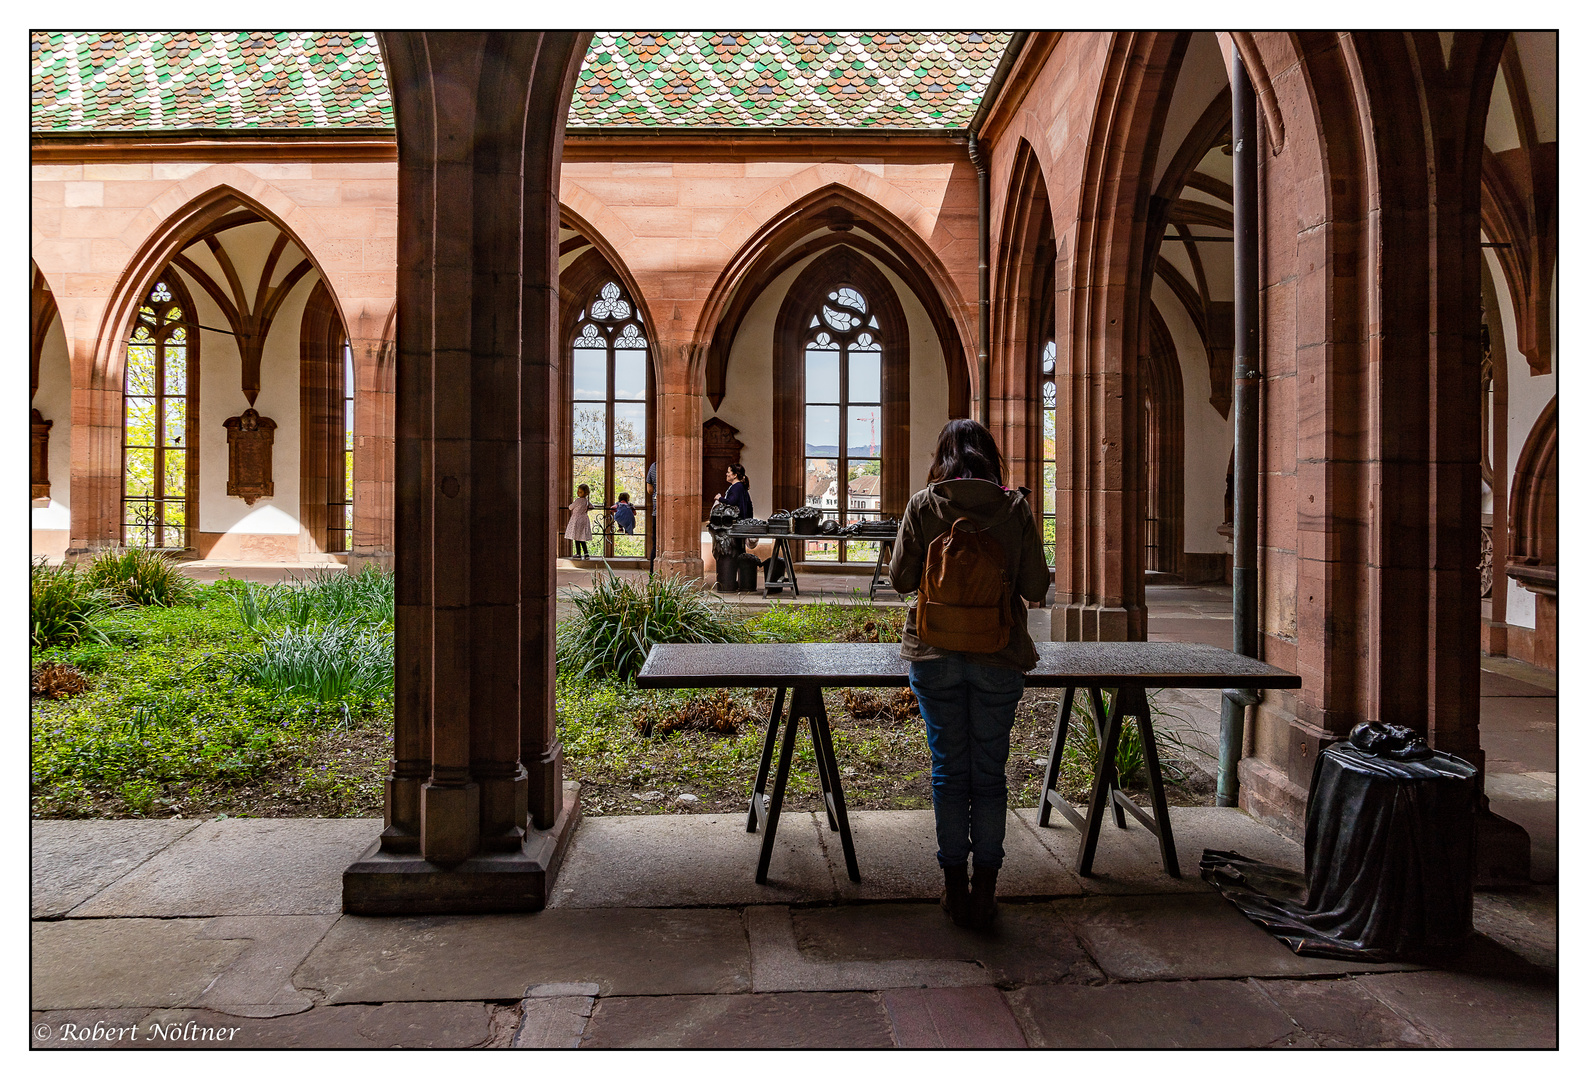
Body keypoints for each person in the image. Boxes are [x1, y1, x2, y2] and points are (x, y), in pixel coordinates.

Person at [888, 419, 1049, 930]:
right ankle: (986, 892)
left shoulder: (924, 504)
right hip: (997, 655)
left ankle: (953, 889)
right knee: (990, 776)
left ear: (943, 457)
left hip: (933, 654)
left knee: (948, 773)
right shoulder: (1014, 508)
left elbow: (900, 579)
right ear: (990, 457)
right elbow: (1034, 584)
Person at [565, 483, 593, 559]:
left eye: (580, 492)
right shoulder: (586, 501)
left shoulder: (578, 500)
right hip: (584, 519)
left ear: (585, 493)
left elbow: (570, 507)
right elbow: (591, 507)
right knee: (581, 537)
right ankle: (586, 553)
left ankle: (578, 553)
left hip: (577, 519)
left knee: (577, 537)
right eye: (578, 491)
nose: (578, 493)